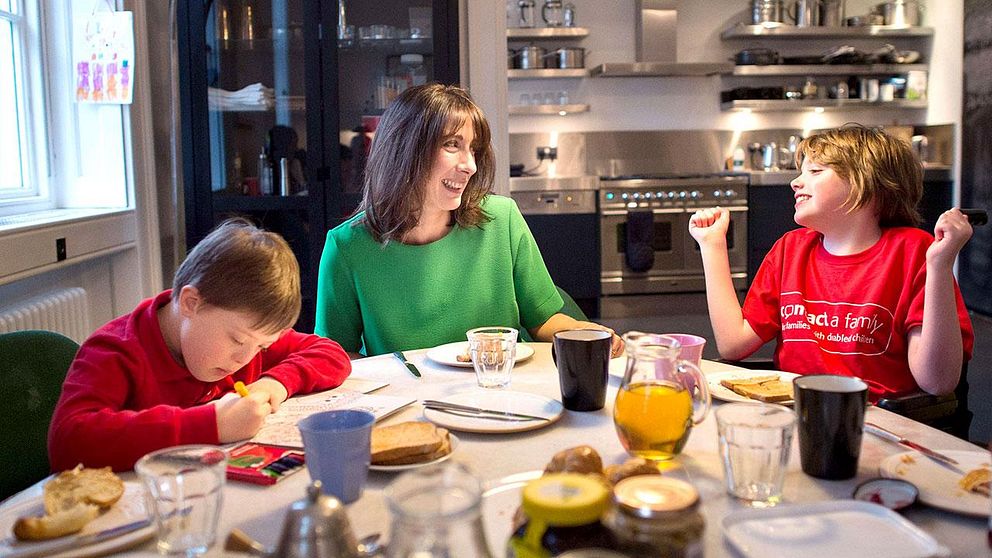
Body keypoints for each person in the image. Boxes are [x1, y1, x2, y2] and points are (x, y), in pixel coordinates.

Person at [315, 83, 622, 357]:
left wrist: (584, 333)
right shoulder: (346, 247)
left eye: (474, 149)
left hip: (497, 393)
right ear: (403, 149)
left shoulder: (502, 219)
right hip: (408, 405)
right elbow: (338, 355)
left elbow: (543, 318)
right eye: (452, 145)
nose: (470, 166)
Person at [689, 126, 974, 400]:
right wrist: (712, 246)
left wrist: (939, 266)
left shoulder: (913, 252)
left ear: (869, 184)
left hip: (881, 424)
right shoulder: (790, 249)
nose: (795, 182)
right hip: (797, 415)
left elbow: (937, 382)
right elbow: (733, 344)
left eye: (815, 171)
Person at [48, 220, 351, 471]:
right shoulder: (116, 351)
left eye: (261, 348)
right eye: (237, 340)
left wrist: (272, 384)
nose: (244, 359)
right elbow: (67, 442)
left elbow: (331, 354)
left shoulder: (248, 331)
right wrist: (213, 424)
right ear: (191, 302)